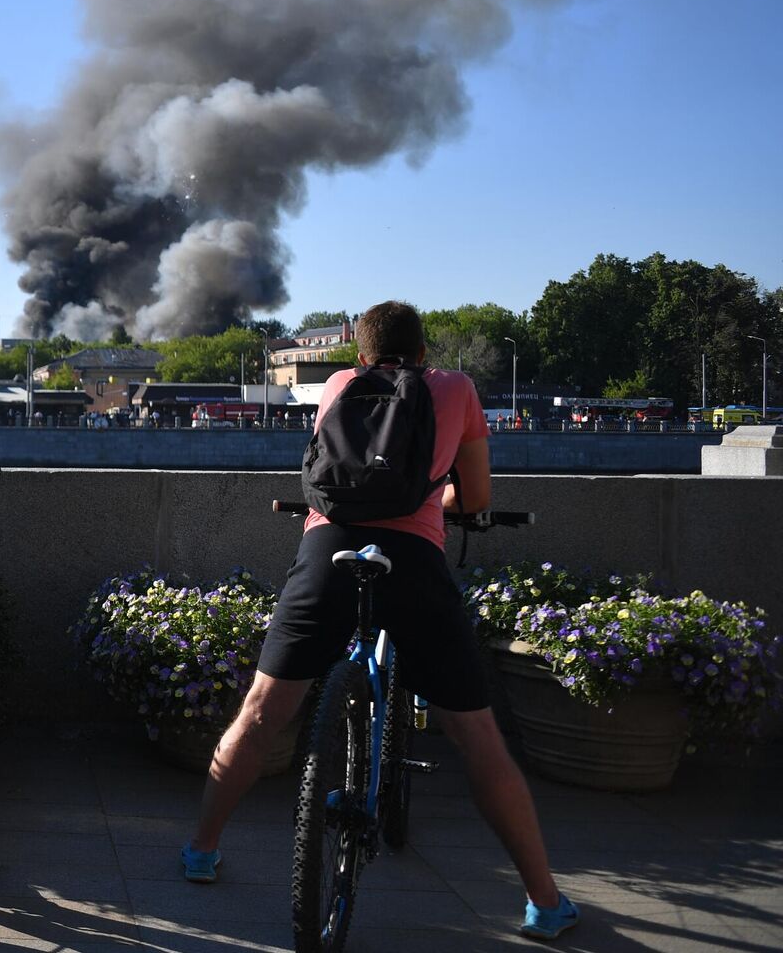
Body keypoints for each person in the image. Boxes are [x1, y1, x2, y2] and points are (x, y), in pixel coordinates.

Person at [181, 301, 577, 941]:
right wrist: (438, 497)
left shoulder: (339, 385)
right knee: (478, 739)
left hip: (327, 552)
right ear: (425, 351)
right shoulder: (457, 388)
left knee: (261, 711)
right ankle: (544, 902)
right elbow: (475, 497)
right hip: (413, 561)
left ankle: (201, 849)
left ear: (361, 357)